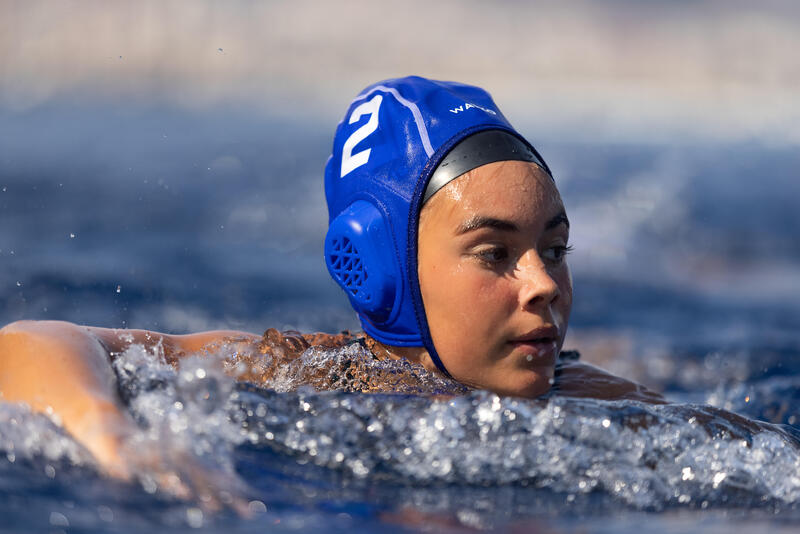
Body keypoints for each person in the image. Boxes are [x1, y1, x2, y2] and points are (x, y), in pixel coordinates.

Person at [0, 76, 663, 481]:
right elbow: (29, 340)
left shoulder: (593, 396)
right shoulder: (309, 372)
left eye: (556, 249)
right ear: (382, 274)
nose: (545, 284)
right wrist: (109, 435)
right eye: (495, 254)